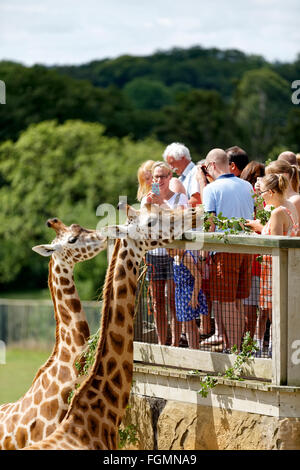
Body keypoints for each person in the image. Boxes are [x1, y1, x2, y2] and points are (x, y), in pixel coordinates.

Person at [202, 148, 254, 352]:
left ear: (212, 165)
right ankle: (238, 348)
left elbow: (209, 224)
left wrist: (202, 255)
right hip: (247, 249)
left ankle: (234, 351)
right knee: (238, 302)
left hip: (224, 250)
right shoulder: (247, 186)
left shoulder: (212, 189)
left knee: (225, 303)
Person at [246, 174, 299, 357]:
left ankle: (277, 352)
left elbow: (272, 244)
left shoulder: (277, 212)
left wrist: (256, 233)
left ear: (270, 192)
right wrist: (260, 227)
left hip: (274, 271)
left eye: (261, 193)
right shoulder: (286, 207)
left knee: (275, 313)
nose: (259, 196)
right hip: (281, 269)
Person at [141, 161, 189, 347]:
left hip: (173, 254)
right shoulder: (148, 198)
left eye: (162, 176)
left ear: (170, 177)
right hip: (153, 254)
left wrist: (161, 203)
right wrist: (150, 205)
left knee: (172, 300)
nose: (159, 180)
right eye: (156, 177)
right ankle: (162, 342)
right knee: (157, 301)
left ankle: (175, 343)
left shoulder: (179, 198)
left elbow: (179, 220)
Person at [240, 161, 265, 339]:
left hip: (259, 261)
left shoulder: (265, 204)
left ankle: (255, 344)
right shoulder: (246, 201)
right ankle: (249, 344)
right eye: (254, 179)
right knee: (250, 307)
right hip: (250, 260)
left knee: (259, 307)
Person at [265, 159, 300, 235]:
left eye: (271, 176)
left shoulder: (295, 200)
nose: (268, 181)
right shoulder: (278, 199)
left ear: (284, 175)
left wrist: (259, 227)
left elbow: (293, 234)